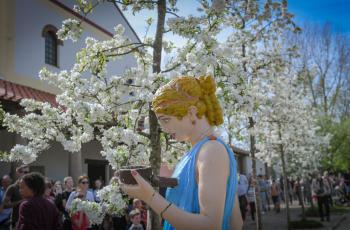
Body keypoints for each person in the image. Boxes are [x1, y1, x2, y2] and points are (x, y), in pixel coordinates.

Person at [120, 75, 243, 229]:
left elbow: (210, 225)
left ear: (191, 112)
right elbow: (236, 221)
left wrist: (150, 197)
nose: (164, 129)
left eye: (165, 120)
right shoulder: (197, 152)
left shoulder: (211, 151)